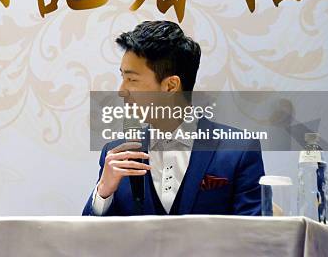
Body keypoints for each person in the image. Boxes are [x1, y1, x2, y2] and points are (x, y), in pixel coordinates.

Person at [83, 20, 265, 216]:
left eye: (132, 79)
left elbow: (254, 236)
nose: (121, 91)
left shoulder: (239, 151)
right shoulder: (115, 155)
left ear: (170, 86)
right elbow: (91, 239)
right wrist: (103, 192)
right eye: (122, 78)